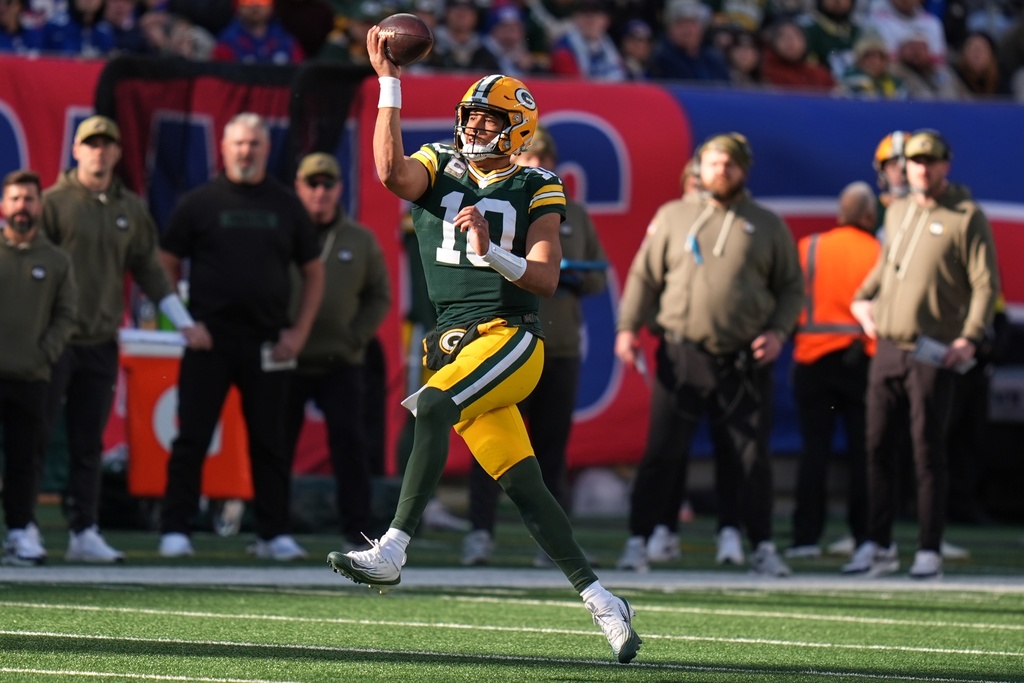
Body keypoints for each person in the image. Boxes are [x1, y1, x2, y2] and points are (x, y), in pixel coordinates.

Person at [326, 29, 641, 662]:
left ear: (519, 128)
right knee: (526, 489)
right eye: (470, 116)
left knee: (435, 406)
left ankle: (393, 548)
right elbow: (390, 172)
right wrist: (389, 80)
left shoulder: (537, 185)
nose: (475, 127)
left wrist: (492, 251)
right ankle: (604, 599)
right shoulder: (439, 164)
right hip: (449, 344)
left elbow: (549, 277)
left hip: (510, 339)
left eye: (490, 119)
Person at [614, 132, 804, 578]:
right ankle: (640, 539)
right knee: (662, 451)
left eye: (730, 163)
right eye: (714, 162)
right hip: (681, 352)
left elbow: (792, 288)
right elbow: (644, 277)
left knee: (751, 457)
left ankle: (761, 544)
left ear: (744, 170)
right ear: (700, 167)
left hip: (743, 358)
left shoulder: (767, 223)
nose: (722, 170)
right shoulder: (674, 216)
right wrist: (627, 328)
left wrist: (779, 332)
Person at [156, 113, 325, 561]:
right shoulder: (199, 203)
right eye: (239, 144)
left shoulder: (286, 205)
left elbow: (314, 273)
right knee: (192, 436)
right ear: (224, 149)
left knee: (270, 441)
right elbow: (164, 264)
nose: (246, 151)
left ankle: (274, 533)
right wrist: (183, 323)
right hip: (210, 340)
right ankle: (176, 529)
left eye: (254, 144)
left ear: (266, 150)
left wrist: (299, 332)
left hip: (268, 342)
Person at [844, 129, 999, 579]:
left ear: (945, 165)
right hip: (888, 346)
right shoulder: (897, 211)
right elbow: (885, 266)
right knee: (875, 446)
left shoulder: (966, 215)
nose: (922, 168)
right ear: (905, 166)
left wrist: (969, 336)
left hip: (933, 349)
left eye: (930, 160)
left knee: (926, 450)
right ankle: (879, 544)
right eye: (914, 161)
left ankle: (929, 548)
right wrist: (861, 297)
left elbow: (985, 282)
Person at [41, 115, 192, 563]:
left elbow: (149, 268)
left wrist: (182, 320)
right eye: (92, 143)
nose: (99, 151)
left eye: (107, 143)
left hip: (101, 339)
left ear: (118, 152)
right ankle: (21, 527)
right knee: (33, 437)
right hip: (53, 339)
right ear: (76, 150)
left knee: (89, 442)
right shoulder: (53, 203)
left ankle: (84, 530)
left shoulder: (129, 208)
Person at [461, 124, 609, 567]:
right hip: (504, 339)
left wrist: (573, 278)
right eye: (529, 157)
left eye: (544, 158)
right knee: (491, 441)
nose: (537, 165)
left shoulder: (572, 212)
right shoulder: (494, 204)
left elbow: (599, 278)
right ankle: (480, 532)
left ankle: (549, 543)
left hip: (557, 342)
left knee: (551, 447)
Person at [285, 152, 391, 551]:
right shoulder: (286, 234)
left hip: (341, 360)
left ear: (339, 190)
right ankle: (272, 529)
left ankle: (358, 530)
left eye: (327, 184)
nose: (320, 192)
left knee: (350, 444)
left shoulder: (359, 239)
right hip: (289, 357)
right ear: (299, 188)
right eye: (312, 184)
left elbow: (379, 296)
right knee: (275, 444)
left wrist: (354, 338)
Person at [785, 181, 880, 560]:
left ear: (841, 213)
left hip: (812, 361)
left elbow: (791, 300)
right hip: (862, 361)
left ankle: (806, 537)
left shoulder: (810, 247)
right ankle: (865, 538)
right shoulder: (878, 250)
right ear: (869, 215)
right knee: (865, 454)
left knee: (814, 452)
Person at [1, 170, 77, 566]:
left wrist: (42, 354)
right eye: (14, 199)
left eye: (29, 200)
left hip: (31, 377)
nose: (22, 207)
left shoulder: (56, 260)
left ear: (40, 206)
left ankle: (19, 532)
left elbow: (67, 315)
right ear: (3, 205)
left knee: (24, 460)